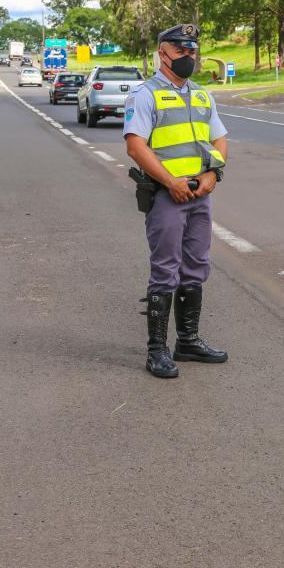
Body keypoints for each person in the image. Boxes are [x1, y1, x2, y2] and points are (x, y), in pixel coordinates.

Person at [124, 23, 229, 379]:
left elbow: (220, 139)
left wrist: (213, 174)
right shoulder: (145, 95)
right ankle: (157, 351)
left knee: (196, 264)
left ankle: (188, 341)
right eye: (180, 51)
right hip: (167, 196)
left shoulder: (202, 95)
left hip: (200, 195)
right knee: (165, 269)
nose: (188, 57)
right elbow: (135, 145)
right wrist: (170, 181)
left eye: (192, 51)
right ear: (162, 54)